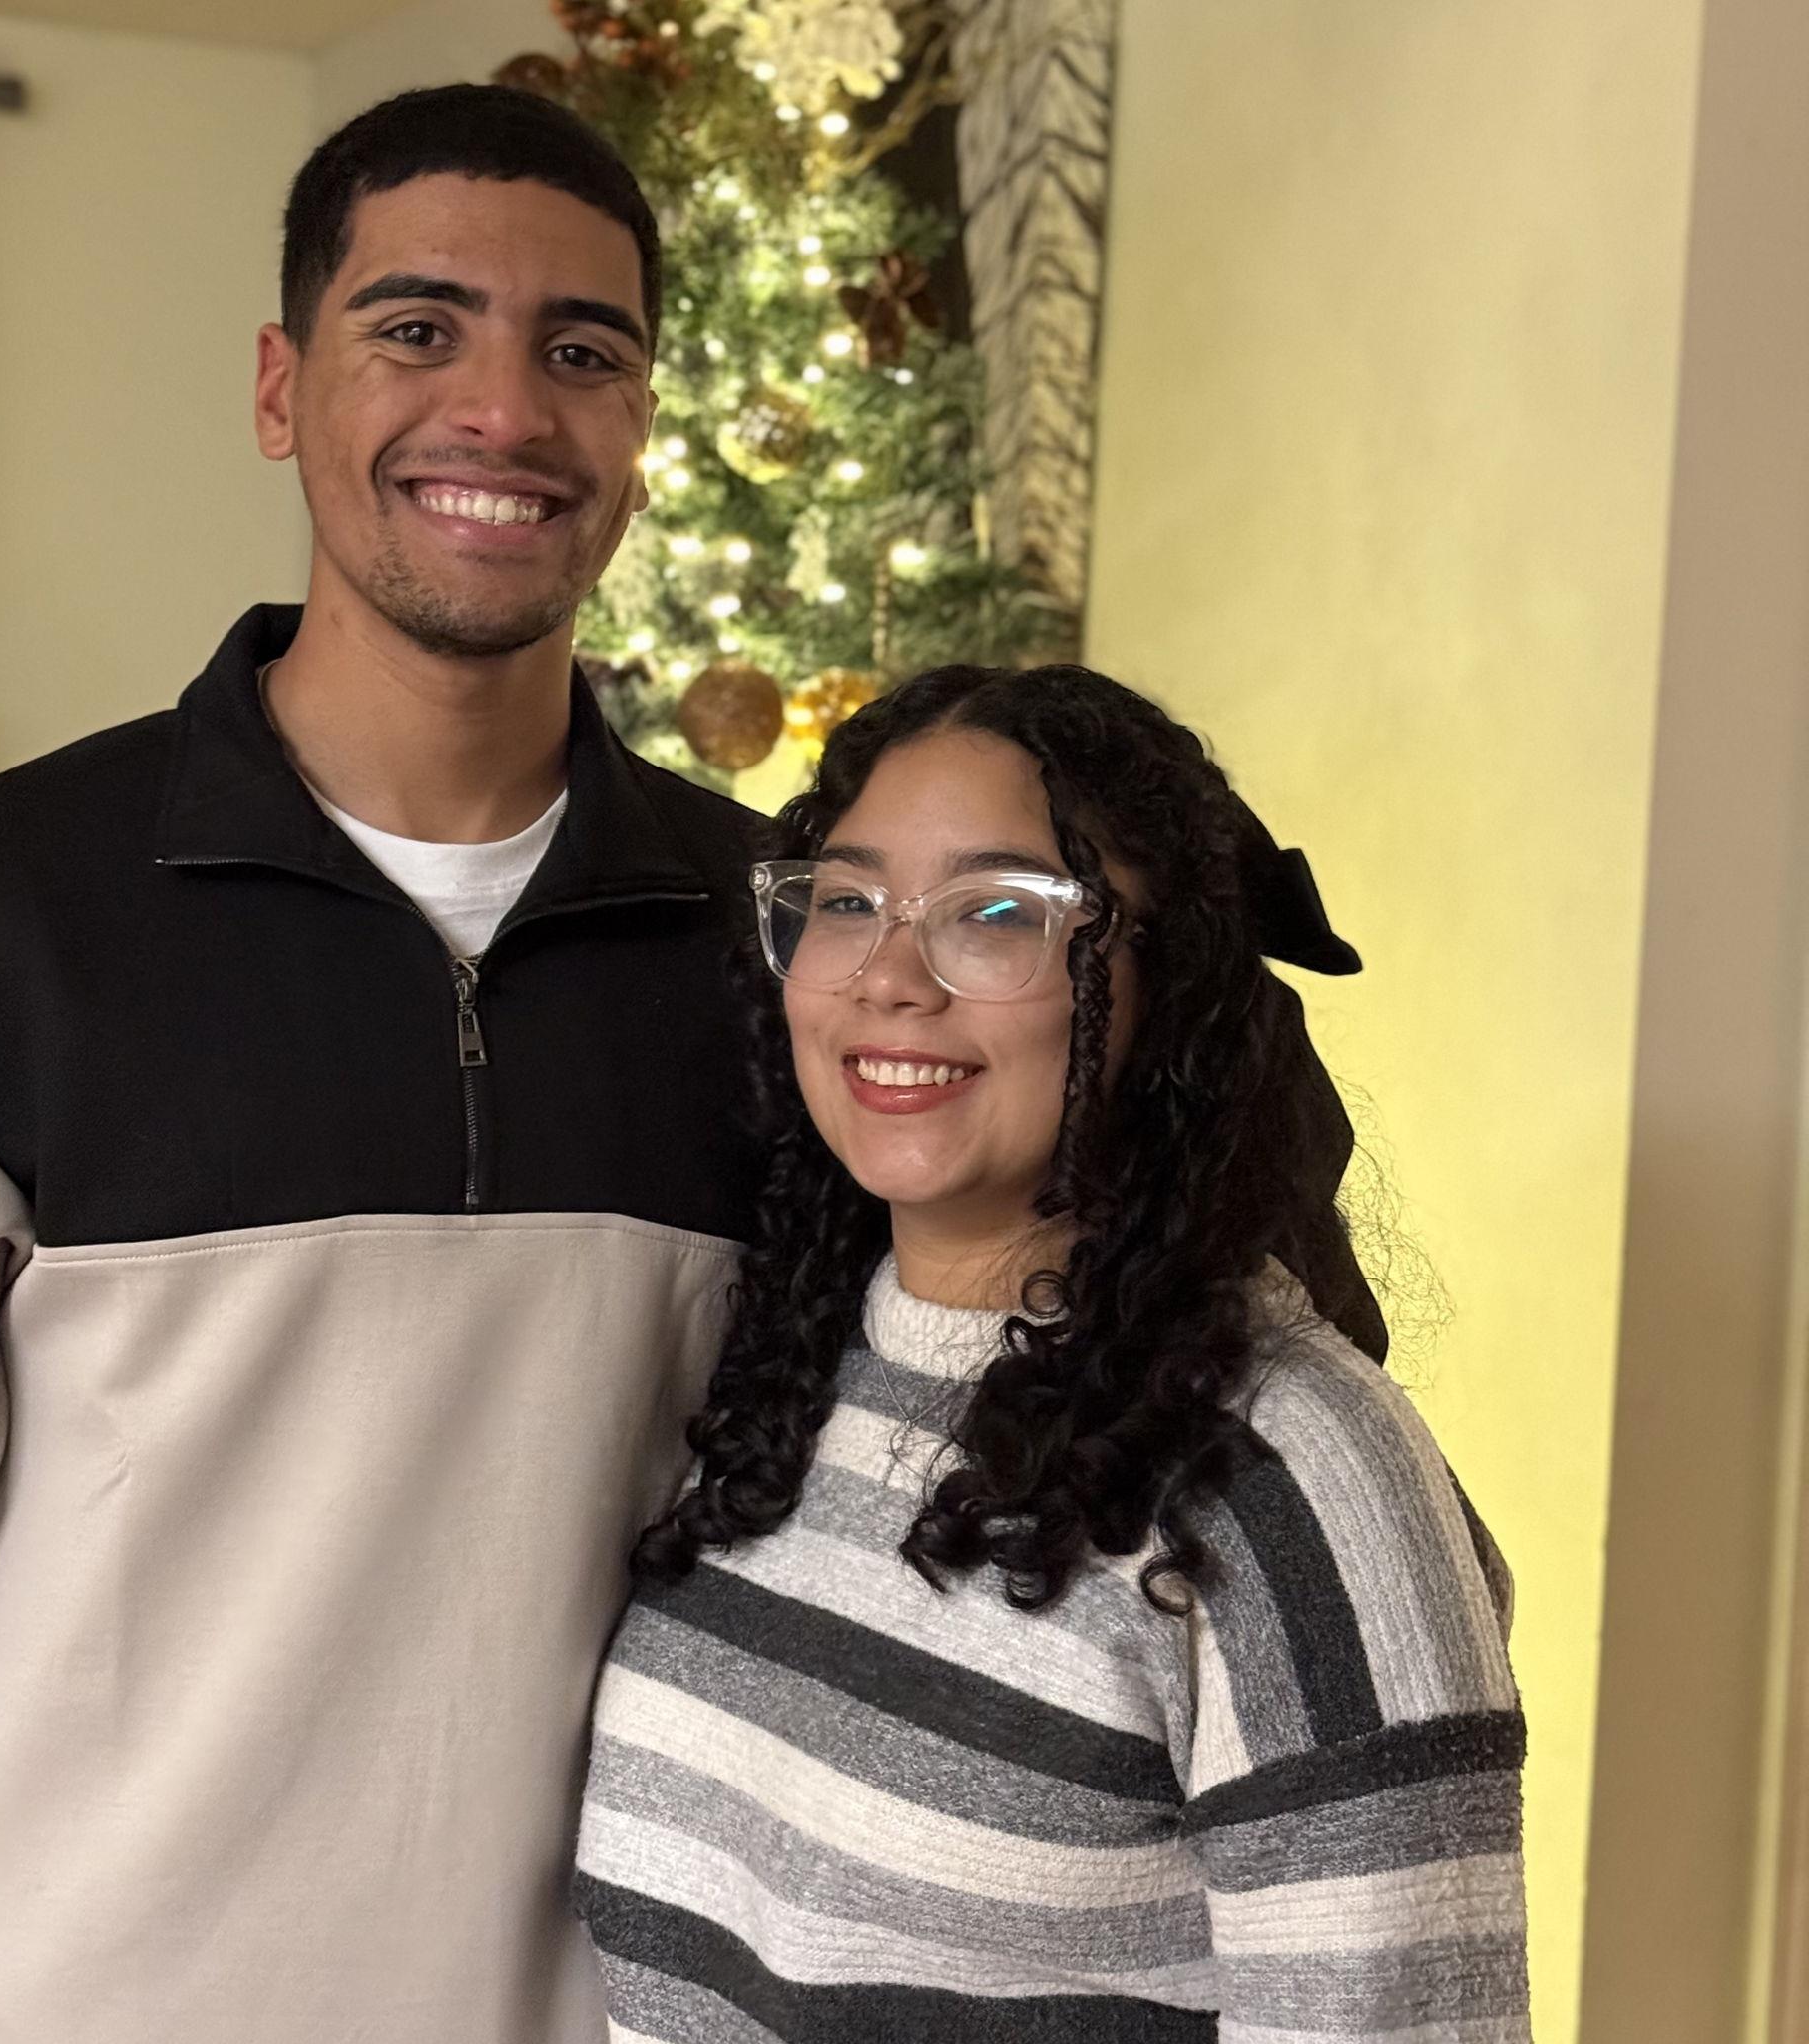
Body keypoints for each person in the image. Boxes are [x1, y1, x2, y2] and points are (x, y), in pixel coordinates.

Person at [0, 86, 759, 2044]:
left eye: (582, 351)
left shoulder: (797, 953)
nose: (503, 409)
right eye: (419, 328)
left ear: (640, 428)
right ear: (280, 388)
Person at [575, 664, 1531, 2041]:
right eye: (846, 902)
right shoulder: (786, 1373)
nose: (890, 978)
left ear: (1165, 985)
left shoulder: (1292, 1474)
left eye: (999, 914)